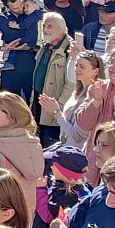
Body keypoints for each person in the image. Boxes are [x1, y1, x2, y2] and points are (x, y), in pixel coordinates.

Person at [0, 0, 39, 104]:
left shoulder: (31, 12)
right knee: (7, 103)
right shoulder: (1, 18)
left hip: (31, 65)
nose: (20, 9)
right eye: (15, 8)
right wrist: (1, 48)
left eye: (21, 5)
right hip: (11, 69)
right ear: (7, 7)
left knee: (31, 102)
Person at [30, 12, 72, 145]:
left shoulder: (69, 50)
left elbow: (72, 84)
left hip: (54, 108)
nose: (45, 30)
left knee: (51, 147)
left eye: (50, 26)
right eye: (44, 26)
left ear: (60, 29)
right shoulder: (46, 46)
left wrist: (58, 107)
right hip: (40, 102)